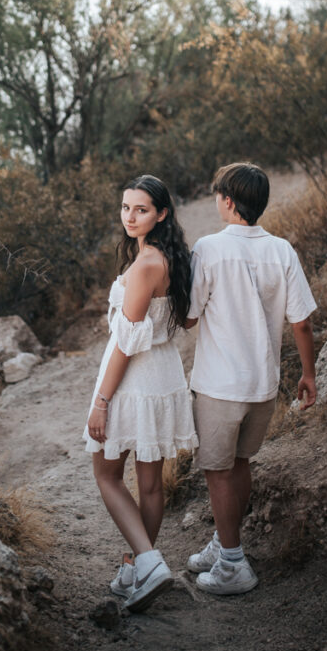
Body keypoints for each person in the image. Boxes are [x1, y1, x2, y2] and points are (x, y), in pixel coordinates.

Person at [184, 162, 317, 595]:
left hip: (221, 385)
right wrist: (308, 374)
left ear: (227, 200)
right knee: (239, 465)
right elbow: (302, 323)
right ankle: (226, 546)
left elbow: (189, 317)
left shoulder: (208, 248)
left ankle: (234, 565)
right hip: (263, 384)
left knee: (218, 472)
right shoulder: (282, 250)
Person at [83, 175, 198, 613]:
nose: (130, 217)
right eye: (126, 208)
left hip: (134, 382)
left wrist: (101, 401)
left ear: (162, 213)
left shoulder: (147, 262)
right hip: (165, 375)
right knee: (150, 485)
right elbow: (186, 321)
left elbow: (126, 344)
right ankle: (136, 565)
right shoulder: (174, 256)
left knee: (107, 474)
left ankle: (149, 562)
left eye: (141, 209)